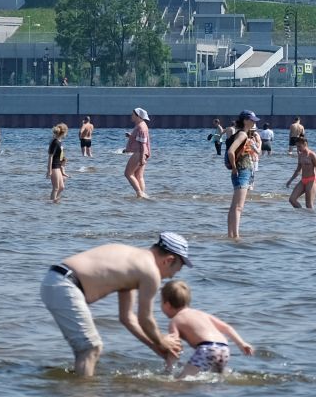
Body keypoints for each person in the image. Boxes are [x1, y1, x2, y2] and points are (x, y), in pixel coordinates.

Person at [40, 234, 192, 377]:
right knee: (90, 348)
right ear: (169, 260)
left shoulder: (134, 262)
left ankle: (72, 382)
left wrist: (157, 347)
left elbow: (127, 318)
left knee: (86, 348)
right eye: (176, 269)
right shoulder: (150, 272)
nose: (172, 276)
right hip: (66, 285)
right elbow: (145, 319)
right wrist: (162, 340)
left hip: (55, 280)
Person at [160, 279, 253, 378]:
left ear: (167, 304)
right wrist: (241, 343)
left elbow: (175, 347)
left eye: (160, 302)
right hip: (224, 348)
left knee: (181, 380)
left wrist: (169, 368)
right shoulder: (201, 314)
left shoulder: (175, 321)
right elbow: (227, 327)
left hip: (206, 349)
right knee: (216, 378)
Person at [225, 112, 261, 240]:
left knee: (234, 207)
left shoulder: (240, 133)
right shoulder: (243, 134)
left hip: (241, 171)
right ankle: (236, 236)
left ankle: (231, 235)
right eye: (252, 120)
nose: (254, 123)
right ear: (245, 121)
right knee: (238, 207)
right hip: (242, 171)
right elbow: (231, 152)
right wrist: (235, 168)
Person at [285, 136, 316, 210]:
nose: (298, 149)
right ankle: (302, 214)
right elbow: (298, 170)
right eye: (297, 147)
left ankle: (311, 220)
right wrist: (290, 180)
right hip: (303, 180)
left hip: (312, 180)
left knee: (308, 204)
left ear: (305, 144)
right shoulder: (300, 155)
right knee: (292, 200)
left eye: (299, 146)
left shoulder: (312, 155)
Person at [124, 107, 152, 201]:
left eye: (133, 114)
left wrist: (141, 159)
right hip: (143, 153)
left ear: (138, 116)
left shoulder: (141, 127)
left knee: (128, 173)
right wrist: (131, 136)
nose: (131, 116)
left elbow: (142, 144)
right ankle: (142, 195)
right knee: (139, 176)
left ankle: (139, 193)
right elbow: (140, 140)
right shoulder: (142, 125)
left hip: (140, 153)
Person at [47, 123, 69, 203]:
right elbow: (50, 156)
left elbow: (60, 155)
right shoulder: (55, 142)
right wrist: (49, 170)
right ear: (64, 132)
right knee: (56, 187)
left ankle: (54, 200)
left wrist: (63, 163)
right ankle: (52, 203)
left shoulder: (59, 142)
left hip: (58, 166)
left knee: (62, 187)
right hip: (54, 167)